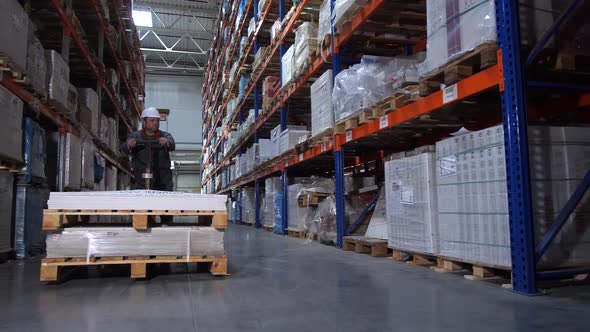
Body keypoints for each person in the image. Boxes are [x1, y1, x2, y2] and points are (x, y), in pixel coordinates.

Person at [121, 106, 176, 223]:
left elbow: (172, 144)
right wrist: (129, 144)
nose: (155, 123)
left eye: (157, 120)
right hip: (142, 180)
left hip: (163, 180)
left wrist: (167, 143)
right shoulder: (135, 136)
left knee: (166, 210)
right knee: (142, 212)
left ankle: (167, 229)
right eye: (152, 120)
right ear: (144, 122)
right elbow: (124, 148)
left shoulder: (165, 135)